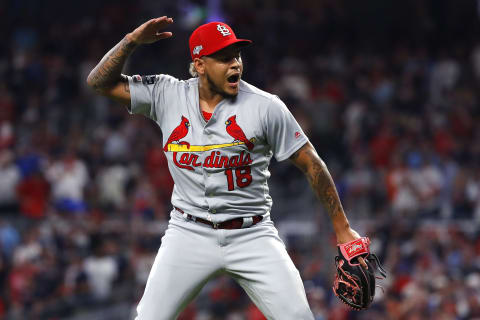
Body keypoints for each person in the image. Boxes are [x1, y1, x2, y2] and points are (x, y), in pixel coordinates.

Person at [87, 16, 368, 320]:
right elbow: (98, 82)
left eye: (236, 55)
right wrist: (130, 41)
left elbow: (312, 165)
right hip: (188, 232)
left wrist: (342, 229)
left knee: (299, 317)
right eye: (223, 58)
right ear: (200, 64)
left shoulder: (265, 107)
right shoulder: (167, 94)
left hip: (253, 234)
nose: (235, 64)